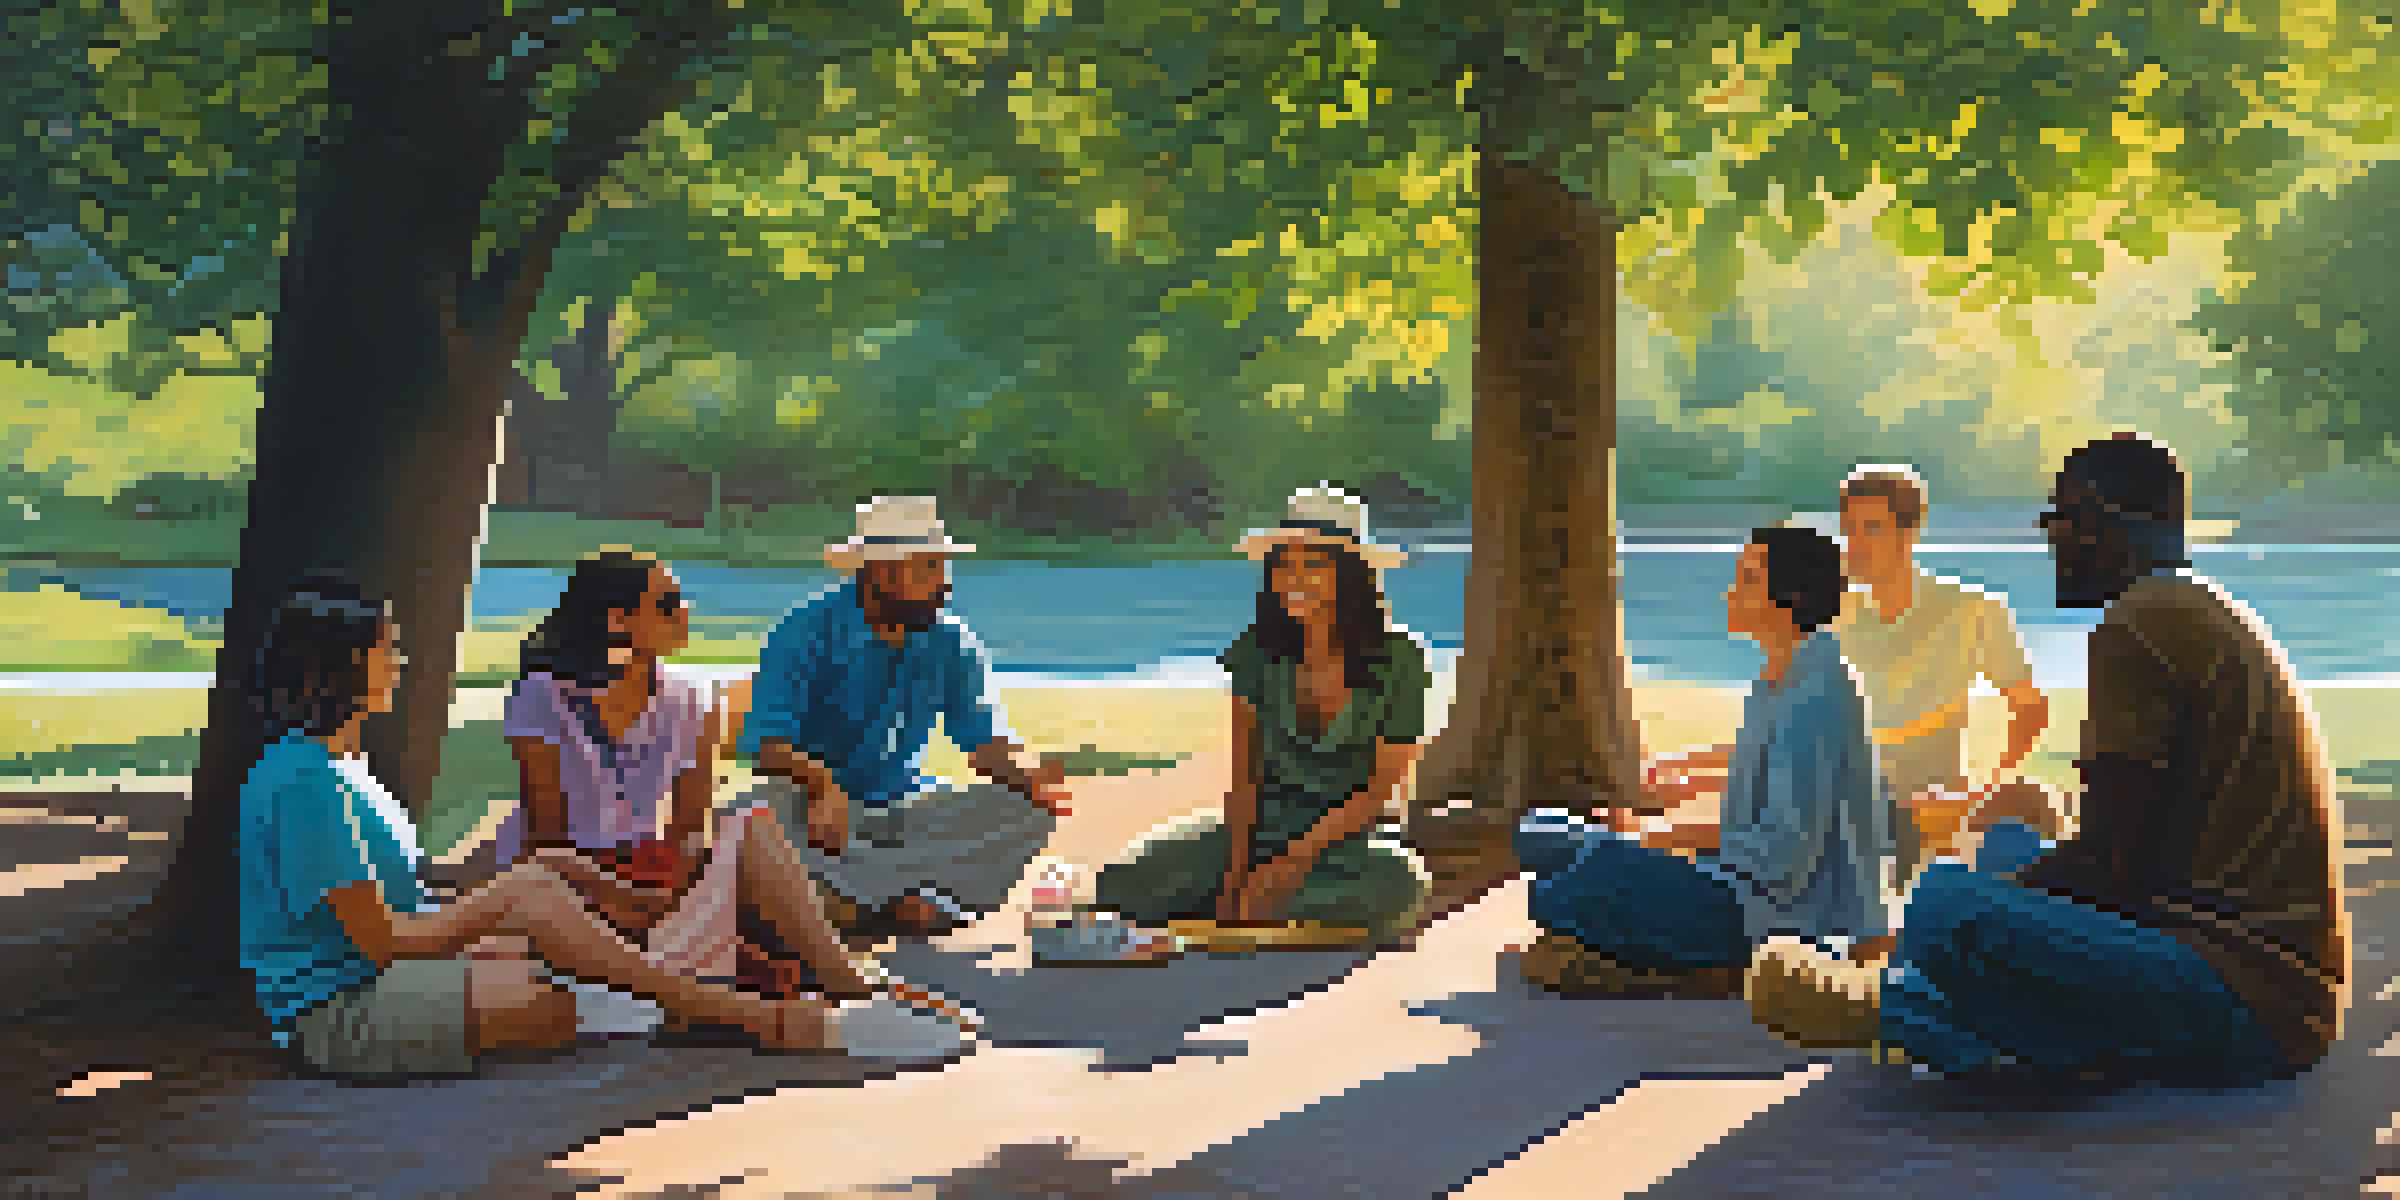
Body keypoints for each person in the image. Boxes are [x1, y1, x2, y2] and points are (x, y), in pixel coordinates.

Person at [1749, 433, 2350, 1087]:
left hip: (2238, 1002)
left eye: (2060, 515)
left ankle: (1901, 1007)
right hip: (2273, 997)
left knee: (1943, 904)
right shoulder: (2195, 608)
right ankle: (1954, 995)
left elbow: (2107, 873)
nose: (2049, 534)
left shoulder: (2139, 627)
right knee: (2015, 821)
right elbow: (2129, 866)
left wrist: (1924, 928)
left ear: (2100, 523)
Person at [238, 573, 973, 1078]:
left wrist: (556, 878)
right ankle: (765, 1017)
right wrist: (514, 893)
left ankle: (810, 1005)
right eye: (384, 649)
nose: (398, 663)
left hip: (408, 965)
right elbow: (381, 940)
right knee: (549, 1002)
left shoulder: (339, 767)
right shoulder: (306, 780)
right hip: (340, 1013)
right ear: (339, 667)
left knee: (564, 952)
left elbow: (410, 894)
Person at [1510, 526, 1891, 996]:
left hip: (1775, 913)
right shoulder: (1785, 671)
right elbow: (1762, 763)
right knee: (1542, 831)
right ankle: (1612, 928)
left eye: (1748, 579)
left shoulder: (1817, 693)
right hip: (1739, 881)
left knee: (1575, 879)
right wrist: (1684, 773)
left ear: (1790, 596)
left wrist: (1657, 838)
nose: (1731, 592)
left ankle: (1705, 964)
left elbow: (1782, 852)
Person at [1091, 486, 1433, 947]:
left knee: (1400, 882)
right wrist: (1238, 872)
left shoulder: (1401, 660)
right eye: (1284, 563)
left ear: (1350, 576)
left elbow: (1380, 791)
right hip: (1259, 827)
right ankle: (1269, 913)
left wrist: (1289, 866)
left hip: (1344, 841)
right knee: (1121, 883)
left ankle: (1254, 910)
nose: (1294, 577)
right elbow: (1245, 778)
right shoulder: (1255, 654)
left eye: (1313, 564)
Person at [735, 496, 1072, 945]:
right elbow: (766, 741)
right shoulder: (804, 631)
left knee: (1024, 809)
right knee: (748, 816)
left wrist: (1027, 774)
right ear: (883, 572)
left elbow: (982, 740)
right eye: (931, 568)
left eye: (942, 568)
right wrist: (822, 786)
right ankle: (902, 899)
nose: (945, 585)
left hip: (905, 811)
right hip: (815, 816)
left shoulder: (951, 641)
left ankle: (850, 902)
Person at [499, 549, 806, 999]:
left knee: (751, 828)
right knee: (736, 955)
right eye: (667, 603)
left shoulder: (693, 695)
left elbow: (689, 828)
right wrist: (624, 898)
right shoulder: (542, 694)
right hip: (565, 874)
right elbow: (546, 835)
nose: (685, 612)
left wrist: (667, 892)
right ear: (618, 621)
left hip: (648, 866)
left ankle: (684, 956)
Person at [1830, 465, 2053, 959]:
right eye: (1847, 529)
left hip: (1928, 804)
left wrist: (1985, 790)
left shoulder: (1974, 611)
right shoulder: (1831, 616)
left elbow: (2028, 709)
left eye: (1872, 529)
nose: (1855, 544)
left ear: (1908, 533)